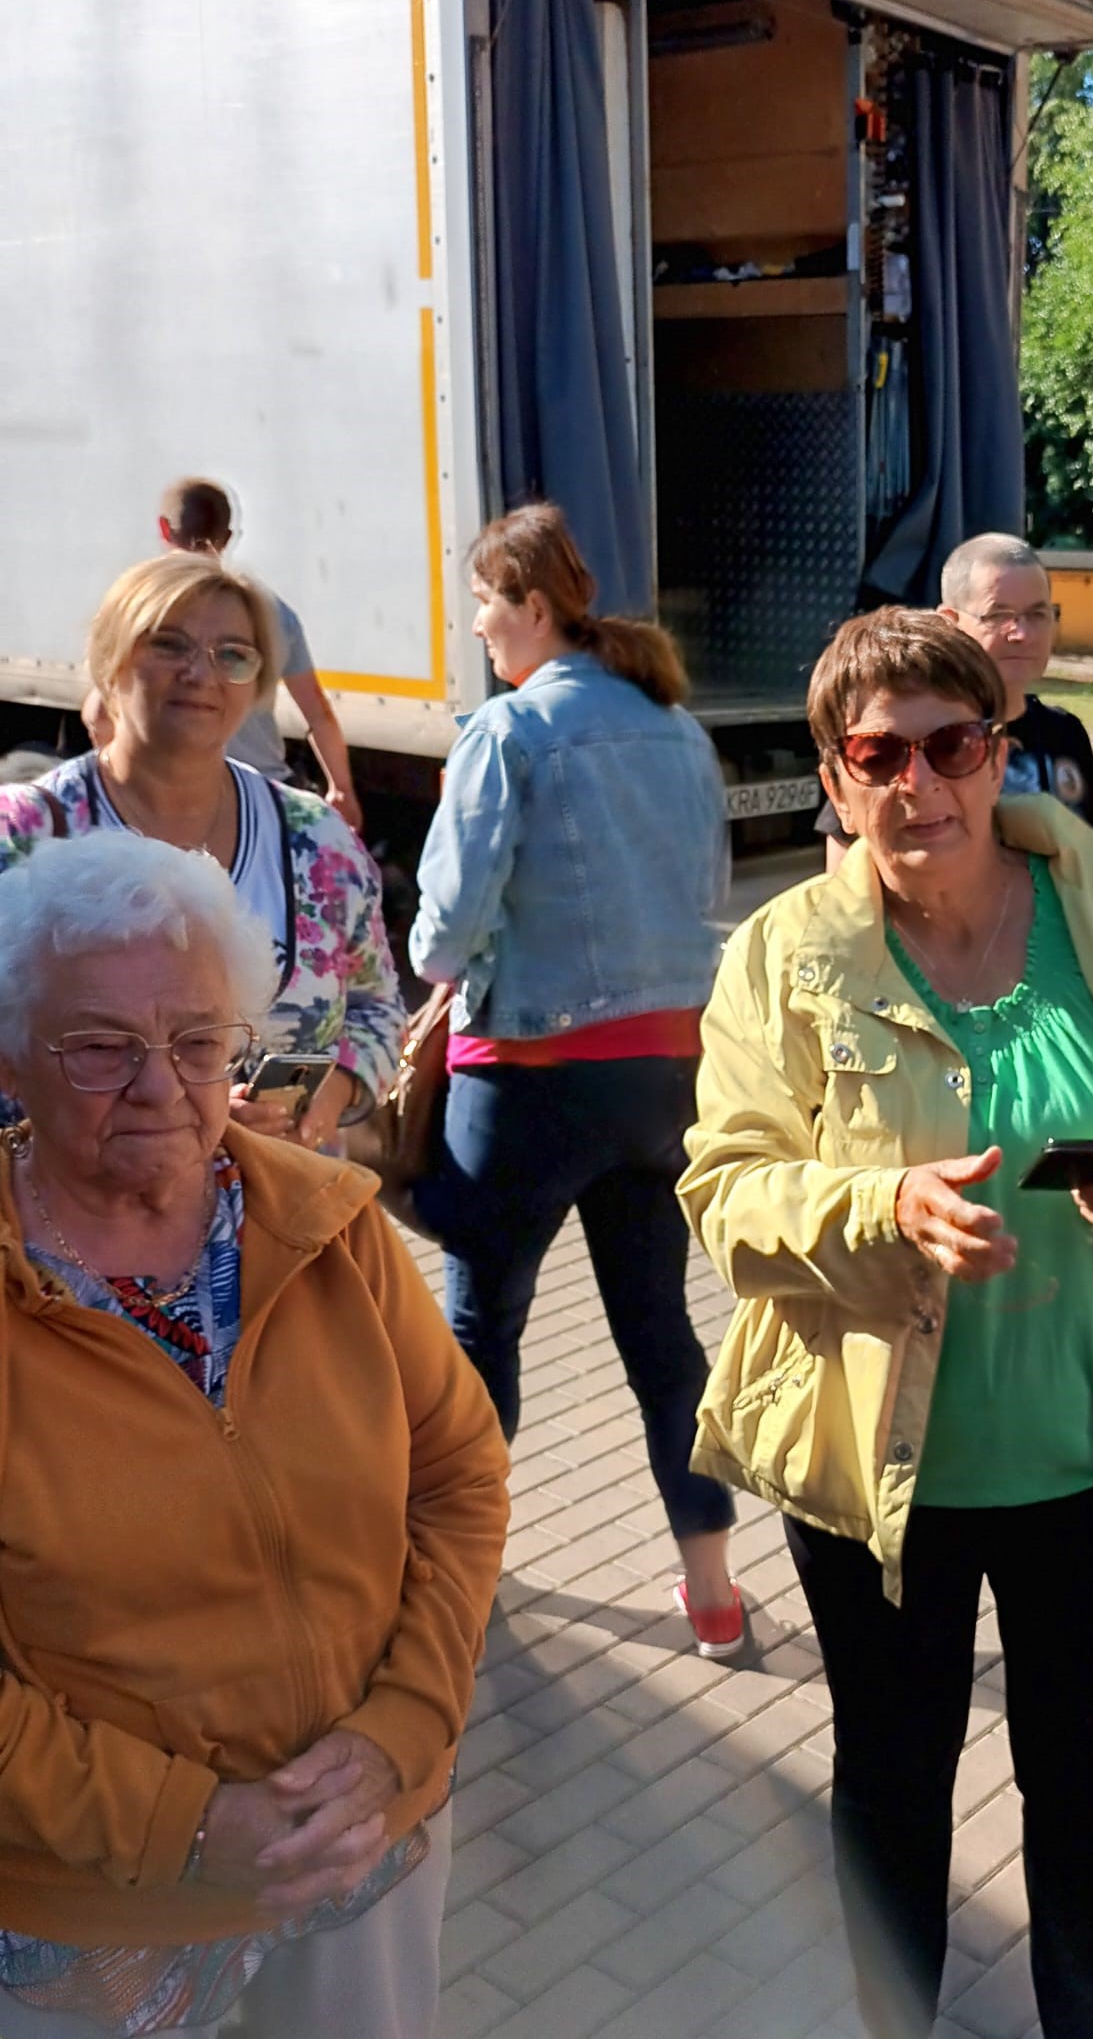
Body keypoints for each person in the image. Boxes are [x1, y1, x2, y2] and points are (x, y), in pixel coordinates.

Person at [680, 609, 1093, 2039]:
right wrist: (885, 1213)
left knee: (1086, 1792)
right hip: (879, 1470)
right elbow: (727, 1186)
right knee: (889, 1780)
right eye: (876, 753)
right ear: (833, 775)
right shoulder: (783, 952)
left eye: (951, 745)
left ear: (999, 751)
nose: (916, 783)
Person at [0, 829, 509, 2039]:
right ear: (12, 1053)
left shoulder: (325, 1221)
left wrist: (405, 1725)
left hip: (359, 1844)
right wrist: (185, 1818)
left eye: (195, 1039)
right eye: (99, 1046)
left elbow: (459, 1476)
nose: (159, 1084)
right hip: (96, 1910)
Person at [408, 502, 743, 1655]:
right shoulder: (677, 728)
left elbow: (447, 925)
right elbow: (706, 886)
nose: (482, 631)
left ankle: (465, 1576)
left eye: (488, 607)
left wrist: (432, 965)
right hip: (664, 1076)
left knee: (481, 1325)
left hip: (530, 1079)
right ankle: (712, 1587)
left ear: (534, 607)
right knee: (659, 1334)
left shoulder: (506, 732)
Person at [0, 552, 404, 1152]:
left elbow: (378, 1009)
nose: (201, 673)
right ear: (111, 661)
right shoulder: (22, 837)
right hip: (78, 1227)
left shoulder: (317, 838)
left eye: (233, 655)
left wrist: (330, 1096)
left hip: (283, 1220)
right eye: (169, 644)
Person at [819, 532, 1093, 864]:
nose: (1022, 633)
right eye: (998, 615)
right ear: (950, 622)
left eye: (1037, 615)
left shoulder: (1065, 733)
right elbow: (844, 887)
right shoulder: (915, 741)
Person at [151, 478, 363, 832]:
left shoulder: (145, 610)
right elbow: (318, 714)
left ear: (163, 529)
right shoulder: (271, 612)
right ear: (228, 537)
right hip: (262, 794)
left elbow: (101, 713)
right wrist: (342, 788)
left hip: (180, 795)